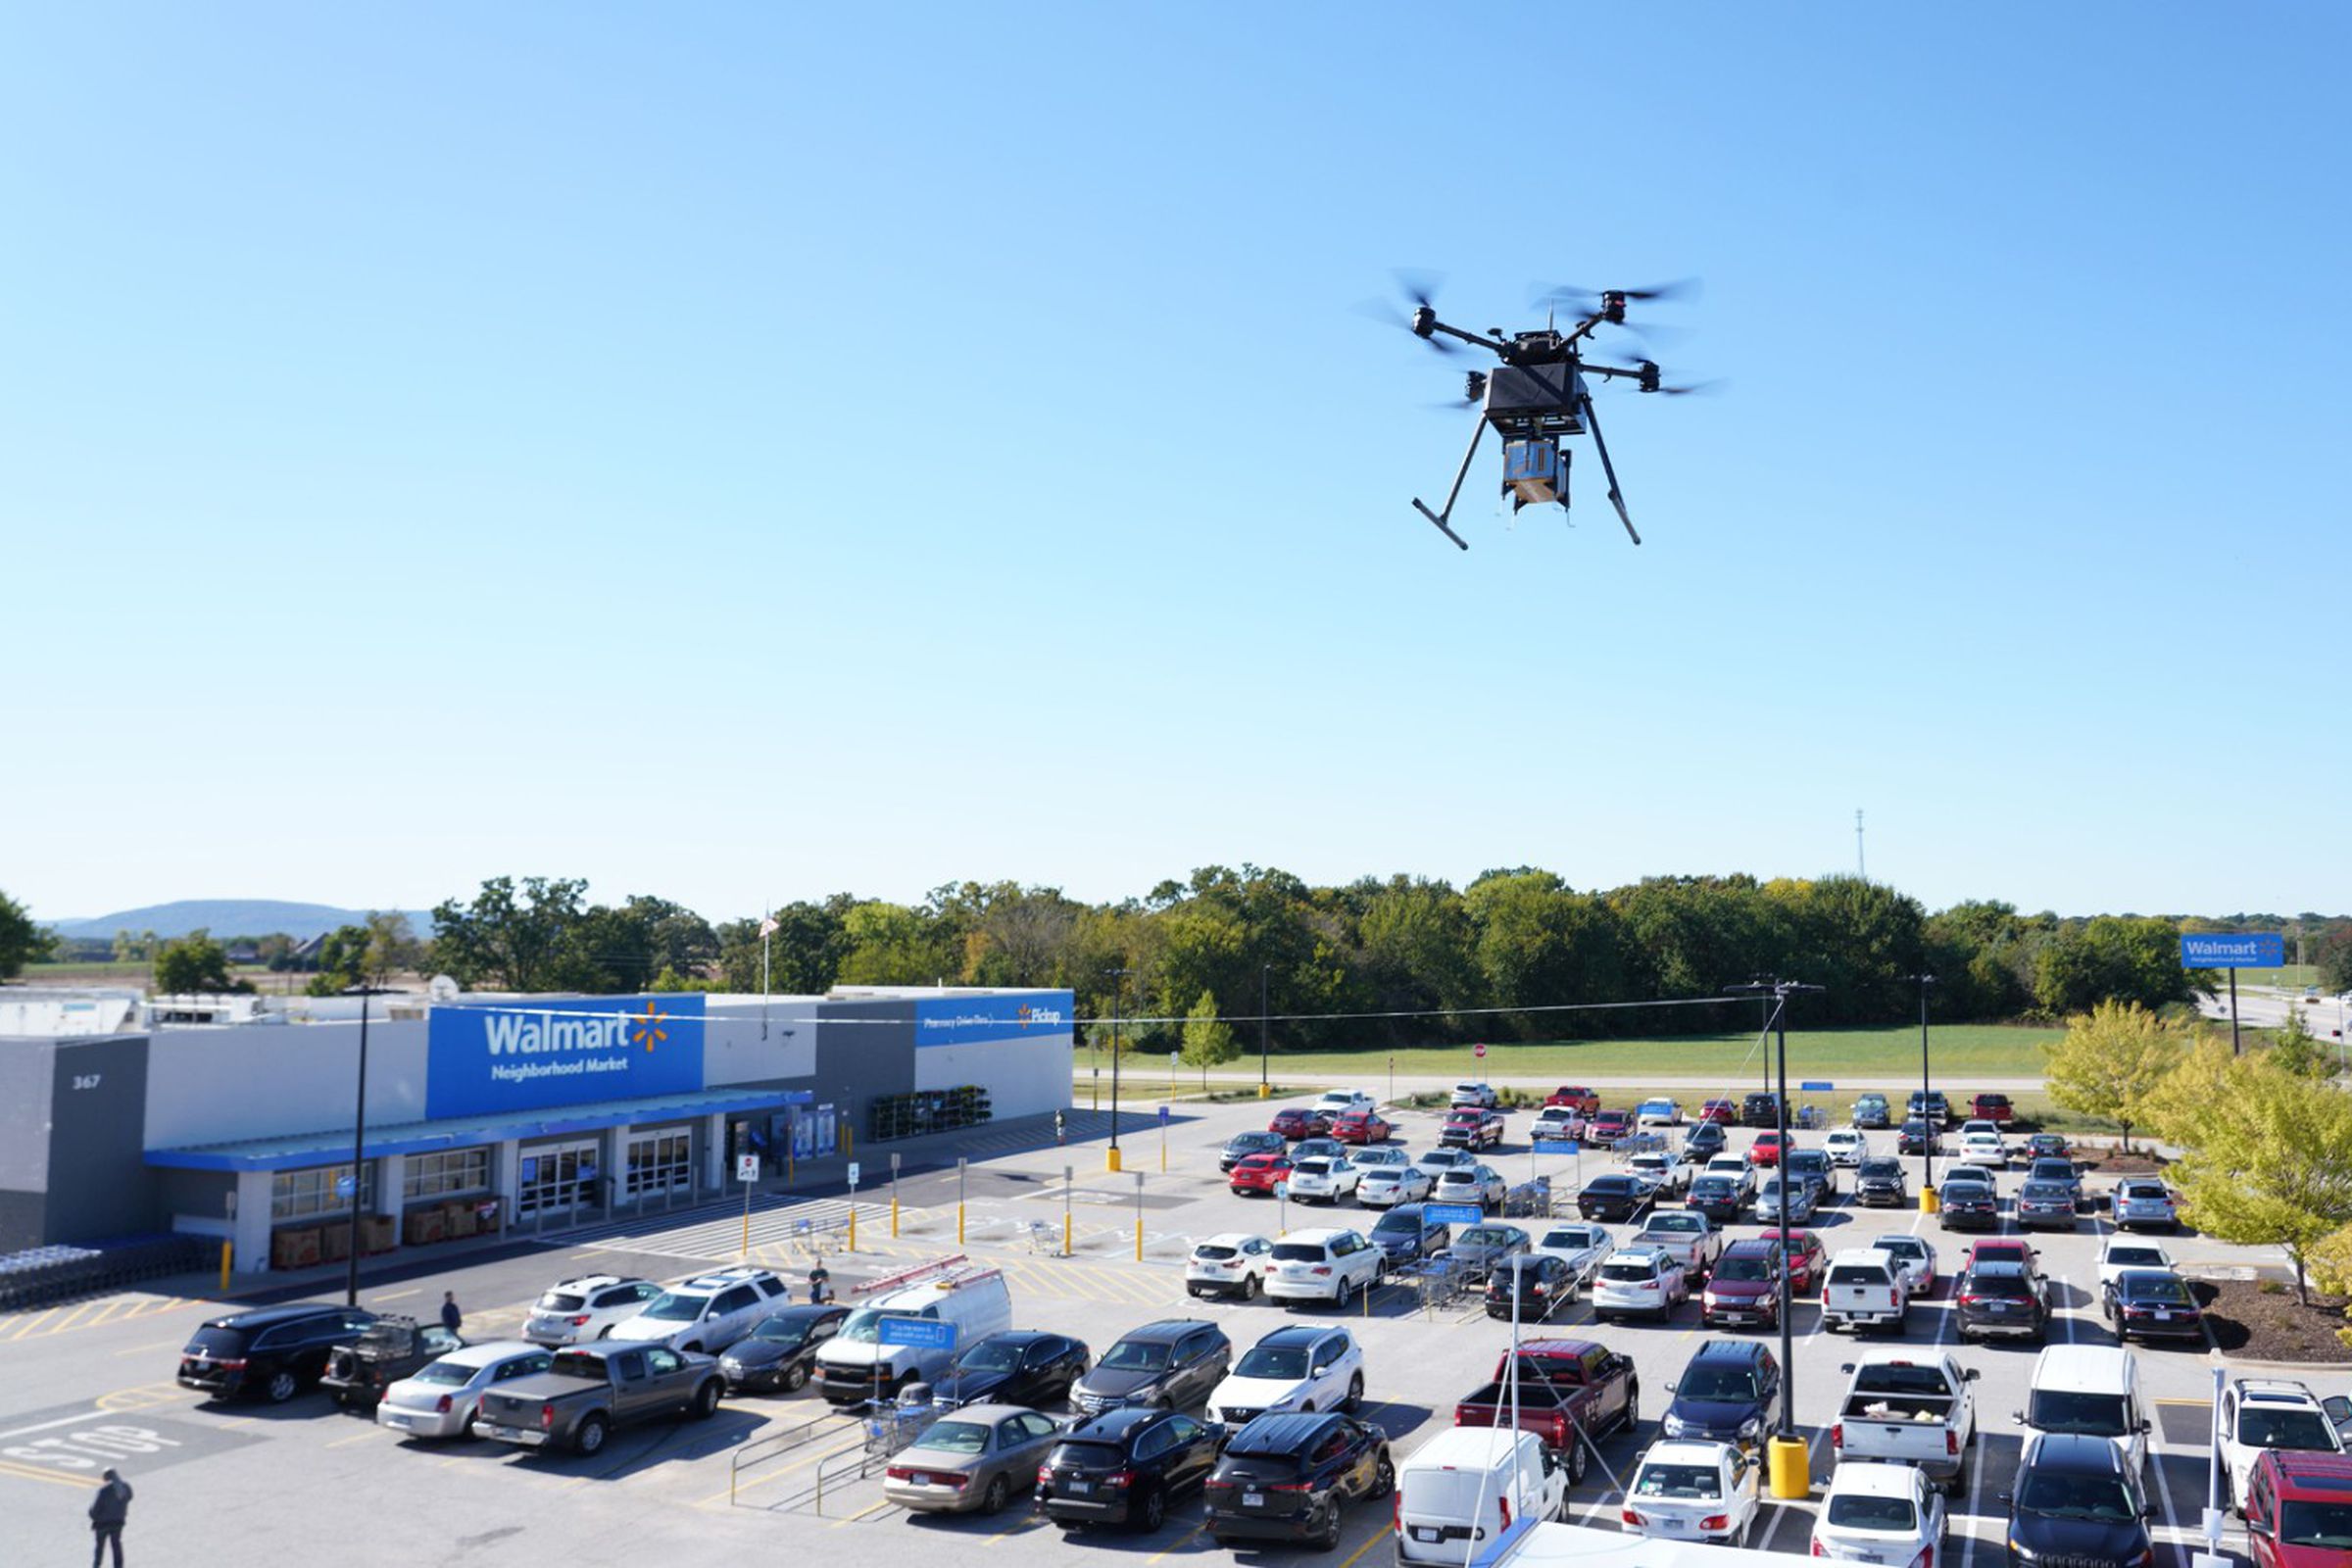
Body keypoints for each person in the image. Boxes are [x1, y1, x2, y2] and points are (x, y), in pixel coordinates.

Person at [88, 1466, 131, 1568]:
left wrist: (91, 1514)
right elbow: (130, 1497)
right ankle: (118, 1566)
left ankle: (96, 1565)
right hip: (118, 1522)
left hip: (102, 1524)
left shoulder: (104, 1491)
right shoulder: (125, 1487)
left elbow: (95, 1510)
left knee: (100, 1547)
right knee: (116, 1545)